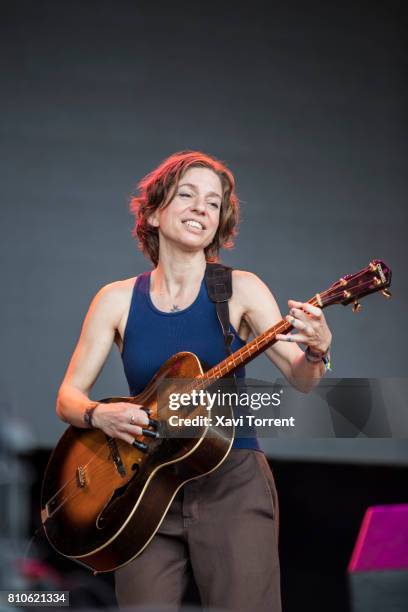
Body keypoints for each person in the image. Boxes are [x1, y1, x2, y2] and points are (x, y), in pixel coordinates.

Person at [56, 151, 332, 611]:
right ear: (153, 212)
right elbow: (67, 398)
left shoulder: (241, 289)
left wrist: (319, 348)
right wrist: (100, 414)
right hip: (144, 490)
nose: (201, 208)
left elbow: (303, 379)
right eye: (186, 195)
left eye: (213, 202)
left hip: (232, 482)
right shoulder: (115, 299)